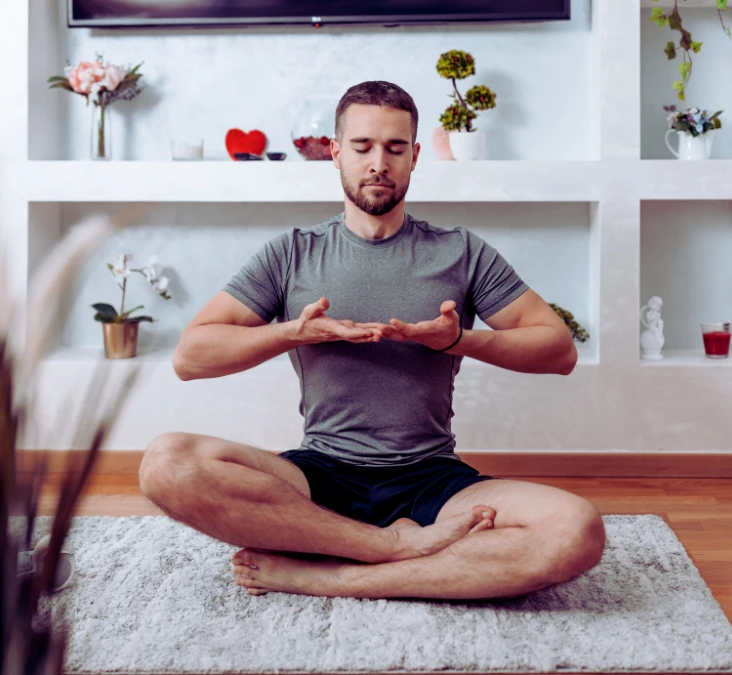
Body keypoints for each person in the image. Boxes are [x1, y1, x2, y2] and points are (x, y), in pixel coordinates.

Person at [140, 81, 605, 600]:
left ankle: (337, 576)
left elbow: (559, 351)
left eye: (394, 148)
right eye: (362, 147)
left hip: (432, 477)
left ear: (414, 157)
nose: (378, 162)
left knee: (576, 529)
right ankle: (390, 547)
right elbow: (191, 356)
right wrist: (296, 331)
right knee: (166, 462)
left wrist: (457, 341)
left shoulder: (461, 252)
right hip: (319, 477)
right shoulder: (291, 254)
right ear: (336, 153)